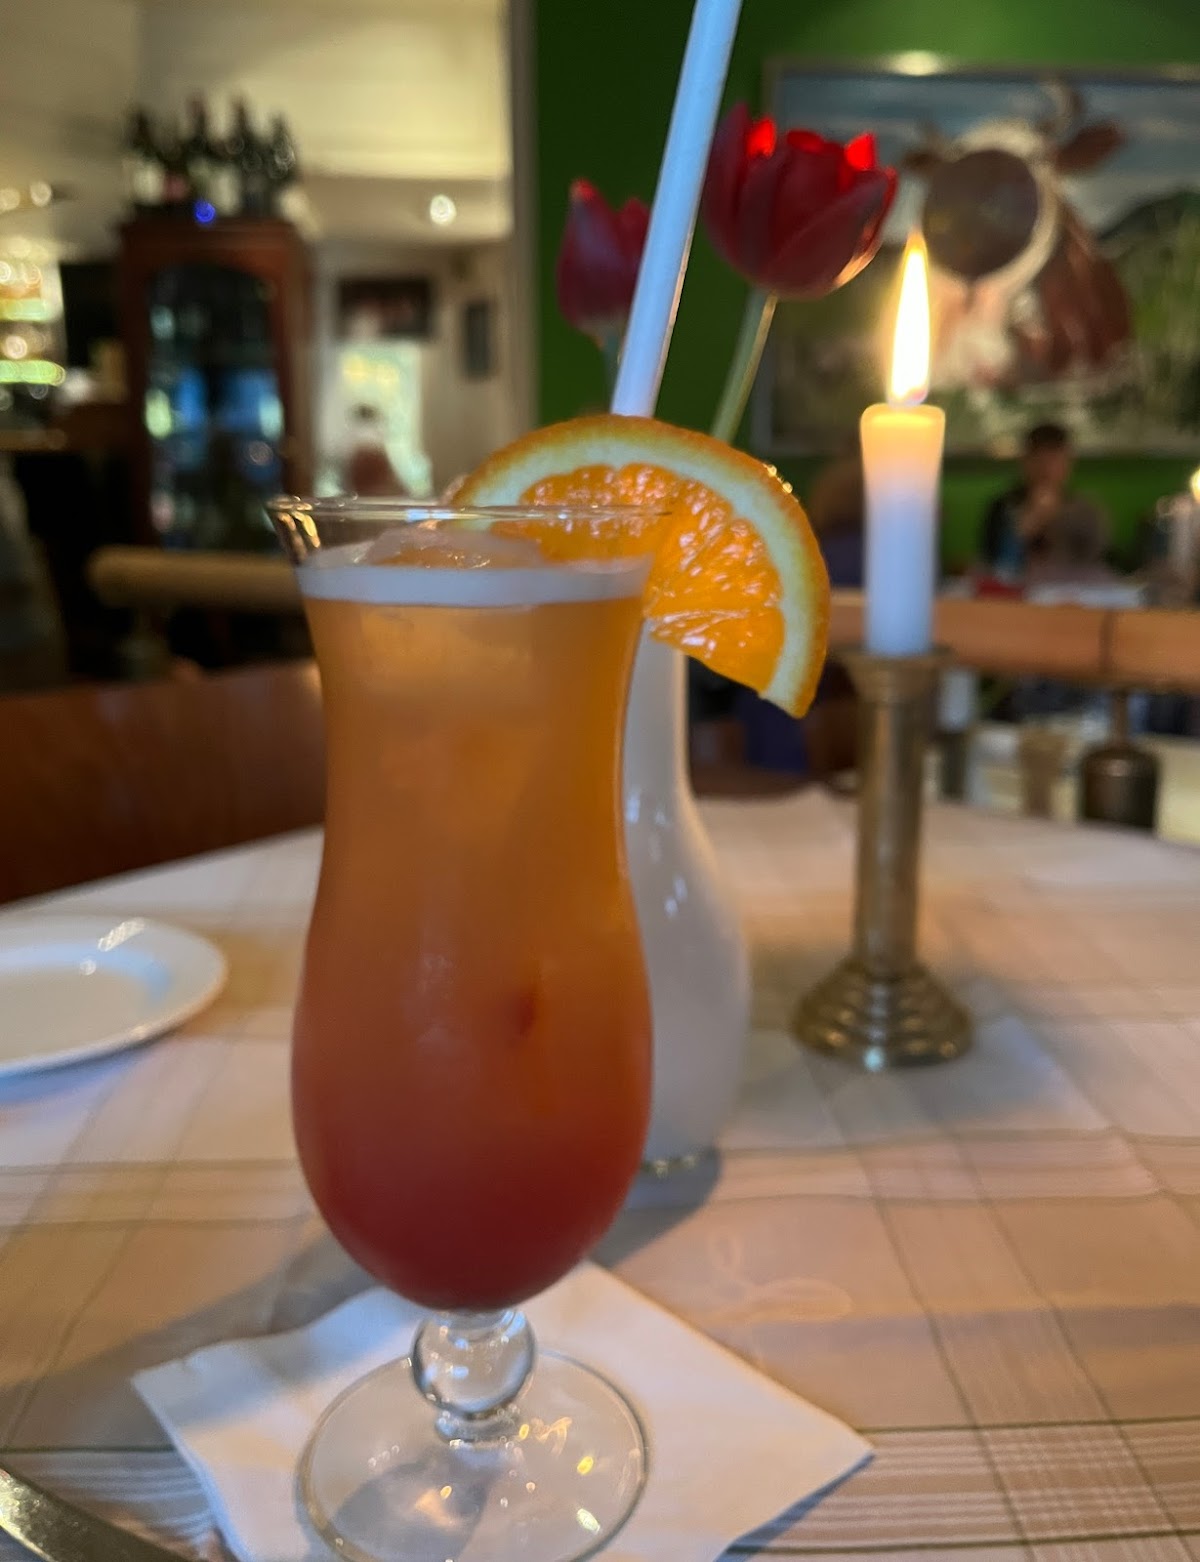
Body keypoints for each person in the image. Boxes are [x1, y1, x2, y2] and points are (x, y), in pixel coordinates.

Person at [980, 422, 1109, 581]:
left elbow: (1098, 560)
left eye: (1054, 459)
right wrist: (1025, 526)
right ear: (1025, 461)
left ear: (1068, 463)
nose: (1046, 469)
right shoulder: (1003, 507)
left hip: (1074, 590)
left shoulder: (1085, 510)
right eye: (1038, 459)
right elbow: (996, 568)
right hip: (1020, 590)